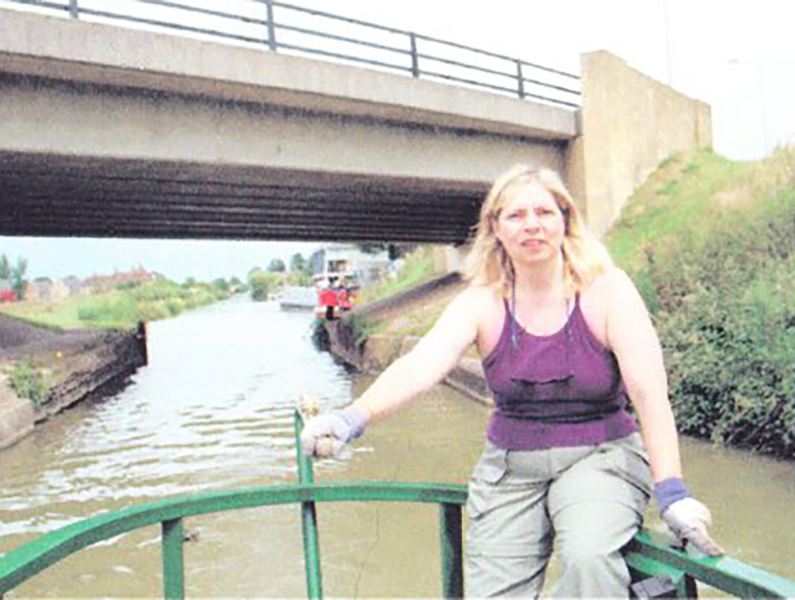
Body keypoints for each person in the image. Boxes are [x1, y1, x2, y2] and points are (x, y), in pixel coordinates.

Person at [301, 164, 722, 597]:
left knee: (588, 559)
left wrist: (672, 493)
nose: (531, 225)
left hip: (601, 457)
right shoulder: (481, 301)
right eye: (516, 215)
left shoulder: (608, 290)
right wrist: (352, 417)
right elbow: (422, 364)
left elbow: (650, 396)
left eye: (544, 212)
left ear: (565, 220)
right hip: (511, 467)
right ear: (496, 228)